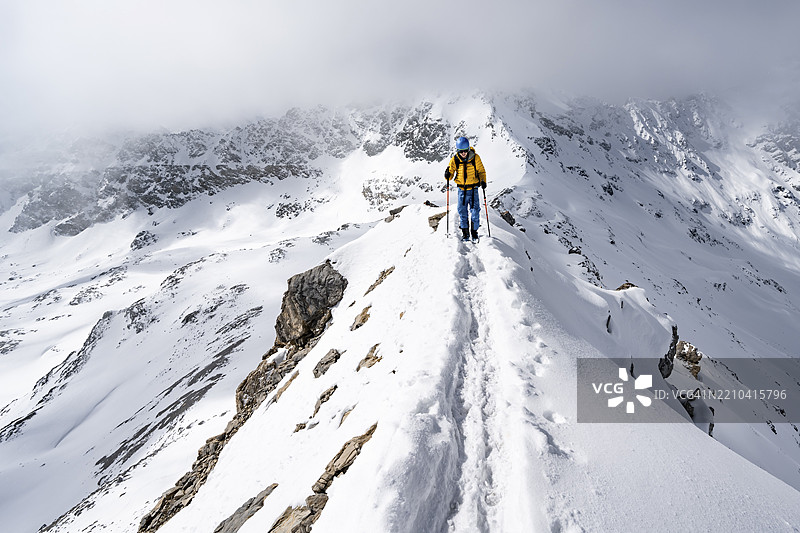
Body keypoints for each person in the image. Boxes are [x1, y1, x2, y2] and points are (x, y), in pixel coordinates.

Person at [444, 136, 487, 241]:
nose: (463, 153)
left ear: (468, 149)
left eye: (465, 151)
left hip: (473, 189)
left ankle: (474, 232)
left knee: (475, 211)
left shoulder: (475, 158)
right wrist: (447, 174)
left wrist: (483, 181)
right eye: (461, 151)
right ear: (458, 151)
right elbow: (450, 172)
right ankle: (465, 233)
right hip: (462, 190)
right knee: (462, 211)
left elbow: (481, 171)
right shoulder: (455, 159)